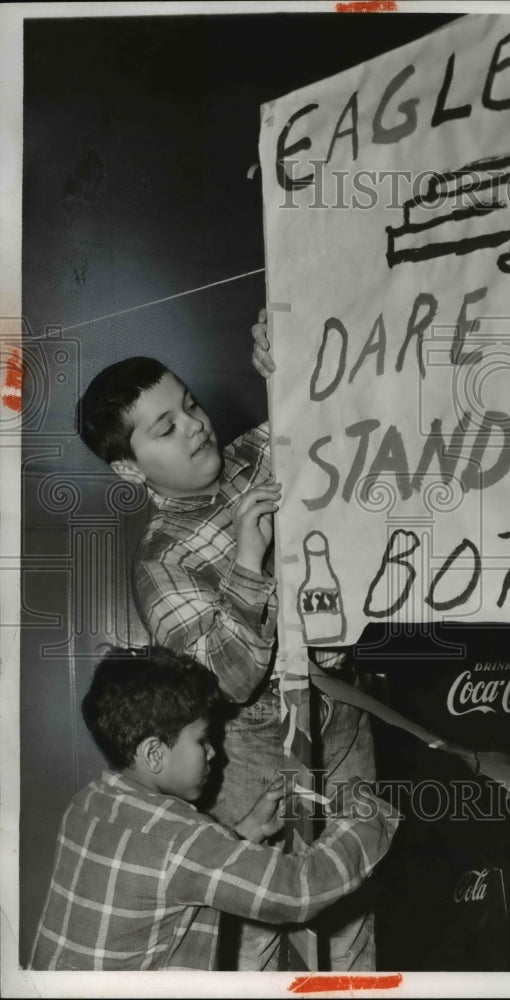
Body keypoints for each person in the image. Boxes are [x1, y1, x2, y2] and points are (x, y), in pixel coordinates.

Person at [74, 318, 376, 970]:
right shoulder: (160, 563)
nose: (194, 425)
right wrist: (246, 554)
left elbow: (337, 412)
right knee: (260, 936)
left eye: (189, 405)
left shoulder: (252, 454)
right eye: (166, 428)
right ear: (130, 468)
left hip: (342, 717)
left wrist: (291, 364)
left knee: (351, 914)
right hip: (251, 756)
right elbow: (231, 681)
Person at [31, 647, 398, 972]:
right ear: (154, 754)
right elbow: (299, 891)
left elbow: (171, 873)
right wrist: (367, 815)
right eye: (202, 740)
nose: (213, 754)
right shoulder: (180, 840)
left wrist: (249, 827)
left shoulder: (89, 803)